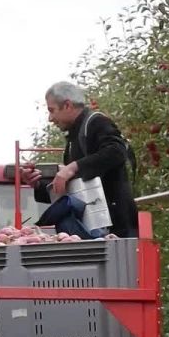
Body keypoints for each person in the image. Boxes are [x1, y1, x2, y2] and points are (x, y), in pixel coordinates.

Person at [20, 81, 139, 238]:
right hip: (93, 229)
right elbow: (73, 188)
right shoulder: (74, 139)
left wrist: (71, 168)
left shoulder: (96, 122)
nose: (50, 118)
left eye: (52, 110)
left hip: (115, 229)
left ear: (67, 105)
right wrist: (37, 184)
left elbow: (116, 151)